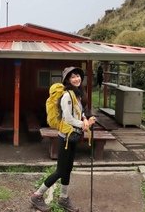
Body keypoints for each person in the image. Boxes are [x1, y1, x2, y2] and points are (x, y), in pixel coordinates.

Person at [31, 67, 95, 212]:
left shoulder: (77, 94)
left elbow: (79, 112)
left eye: (77, 76)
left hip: (73, 137)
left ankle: (63, 198)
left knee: (68, 169)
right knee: (61, 171)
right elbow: (68, 118)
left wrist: (86, 118)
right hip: (65, 137)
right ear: (67, 80)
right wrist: (84, 124)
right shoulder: (67, 95)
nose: (76, 79)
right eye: (72, 77)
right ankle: (37, 195)